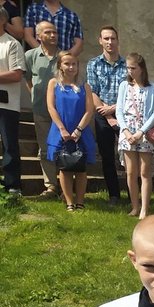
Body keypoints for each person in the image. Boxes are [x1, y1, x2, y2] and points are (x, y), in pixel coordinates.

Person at [46, 51, 95, 210]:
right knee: (65, 167)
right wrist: (62, 129)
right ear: (60, 65)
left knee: (80, 168)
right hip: (61, 131)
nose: (71, 67)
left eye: (74, 64)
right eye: (67, 63)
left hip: (80, 131)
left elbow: (89, 110)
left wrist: (79, 130)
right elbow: (51, 107)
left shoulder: (85, 86)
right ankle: (69, 203)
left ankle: (80, 202)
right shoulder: (53, 83)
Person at [117, 53, 154, 219]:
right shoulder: (124, 86)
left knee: (144, 172)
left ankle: (144, 208)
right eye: (128, 68)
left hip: (144, 133)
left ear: (141, 68)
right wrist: (126, 131)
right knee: (130, 172)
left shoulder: (153, 88)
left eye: (133, 68)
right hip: (127, 132)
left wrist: (140, 132)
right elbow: (119, 110)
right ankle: (134, 206)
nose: (130, 71)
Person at [87, 26, 127, 205]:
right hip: (102, 115)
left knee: (129, 155)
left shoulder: (128, 65)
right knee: (107, 156)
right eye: (106, 39)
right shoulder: (93, 64)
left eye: (113, 38)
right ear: (100, 41)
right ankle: (114, 195)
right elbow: (93, 92)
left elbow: (132, 92)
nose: (110, 42)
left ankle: (134, 194)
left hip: (125, 114)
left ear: (118, 40)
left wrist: (115, 109)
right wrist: (108, 114)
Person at [25, 19, 60, 198]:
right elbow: (29, 79)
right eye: (48, 32)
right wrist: (35, 96)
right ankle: (51, 185)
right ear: (39, 36)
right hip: (40, 109)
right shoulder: (30, 56)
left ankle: (65, 182)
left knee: (63, 146)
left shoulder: (64, 57)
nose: (53, 35)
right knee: (45, 147)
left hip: (62, 111)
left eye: (54, 32)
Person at [0, 6, 25, 195]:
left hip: (6, 104)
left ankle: (13, 186)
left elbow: (16, 74)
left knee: (9, 145)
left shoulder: (12, 44)